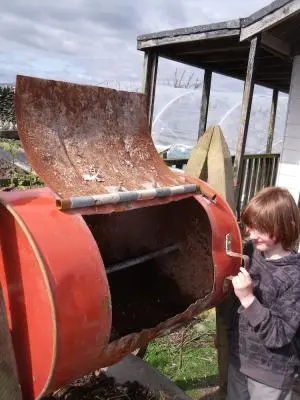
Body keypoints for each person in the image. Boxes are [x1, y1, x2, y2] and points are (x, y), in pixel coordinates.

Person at [227, 186, 300, 400]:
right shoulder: (252, 251)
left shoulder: (294, 277)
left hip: (270, 375)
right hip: (239, 359)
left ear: (282, 229)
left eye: (259, 228)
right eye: (250, 226)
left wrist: (248, 298)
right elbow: (235, 311)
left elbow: (280, 334)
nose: (250, 233)